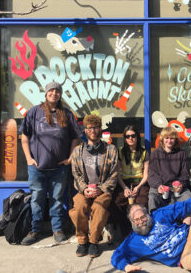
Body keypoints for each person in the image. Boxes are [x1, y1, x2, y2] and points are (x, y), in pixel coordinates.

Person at [20, 82, 82, 245]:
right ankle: (35, 230)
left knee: (57, 199)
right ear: (46, 93)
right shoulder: (34, 112)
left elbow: (76, 137)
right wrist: (28, 158)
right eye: (51, 91)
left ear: (60, 94)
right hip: (37, 167)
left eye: (57, 91)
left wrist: (69, 158)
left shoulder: (67, 114)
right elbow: (24, 136)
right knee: (36, 199)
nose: (54, 93)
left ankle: (57, 229)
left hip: (59, 168)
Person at [69, 114, 118, 258]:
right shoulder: (78, 151)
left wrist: (100, 189)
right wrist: (85, 189)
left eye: (96, 127)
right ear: (85, 130)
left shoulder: (111, 149)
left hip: (103, 190)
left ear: (100, 129)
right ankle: (83, 241)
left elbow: (114, 174)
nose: (93, 131)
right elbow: (76, 174)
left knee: (99, 207)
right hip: (84, 190)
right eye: (89, 128)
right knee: (78, 206)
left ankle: (94, 242)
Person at [110, 125, 149, 239]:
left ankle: (141, 231)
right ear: (125, 138)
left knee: (142, 202)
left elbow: (146, 174)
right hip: (124, 183)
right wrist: (124, 188)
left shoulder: (144, 152)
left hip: (139, 182)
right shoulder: (120, 152)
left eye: (133, 136)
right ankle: (125, 230)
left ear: (137, 137)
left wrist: (138, 187)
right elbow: (117, 173)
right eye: (127, 136)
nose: (130, 138)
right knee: (117, 202)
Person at [147, 126, 191, 224]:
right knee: (152, 198)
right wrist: (159, 186)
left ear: (175, 140)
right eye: (167, 138)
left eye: (172, 138)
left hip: (177, 188)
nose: (169, 140)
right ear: (162, 139)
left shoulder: (181, 154)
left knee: (188, 198)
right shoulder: (155, 154)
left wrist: (181, 184)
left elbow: (185, 174)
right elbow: (152, 174)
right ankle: (157, 228)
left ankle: (185, 231)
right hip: (161, 187)